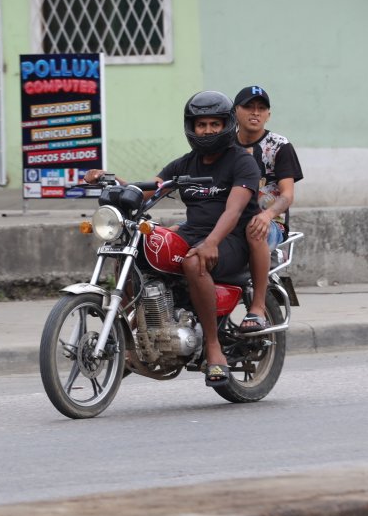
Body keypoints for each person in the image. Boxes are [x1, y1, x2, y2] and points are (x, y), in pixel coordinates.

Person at [86, 91, 261, 388]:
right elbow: (149, 190)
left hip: (230, 239)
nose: (207, 131)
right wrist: (112, 183)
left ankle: (214, 348)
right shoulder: (185, 164)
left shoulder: (242, 163)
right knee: (137, 251)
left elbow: (234, 210)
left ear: (226, 125)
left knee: (195, 262)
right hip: (193, 234)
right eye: (201, 124)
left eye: (214, 124)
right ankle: (134, 336)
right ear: (191, 128)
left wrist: (211, 243)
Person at [233, 85, 304, 332]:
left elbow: (287, 195)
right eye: (249, 107)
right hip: (228, 219)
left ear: (268, 115)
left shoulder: (279, 146)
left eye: (261, 108)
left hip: (268, 223)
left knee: (255, 228)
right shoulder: (224, 145)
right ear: (235, 112)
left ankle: (258, 307)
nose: (255, 113)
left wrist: (267, 214)